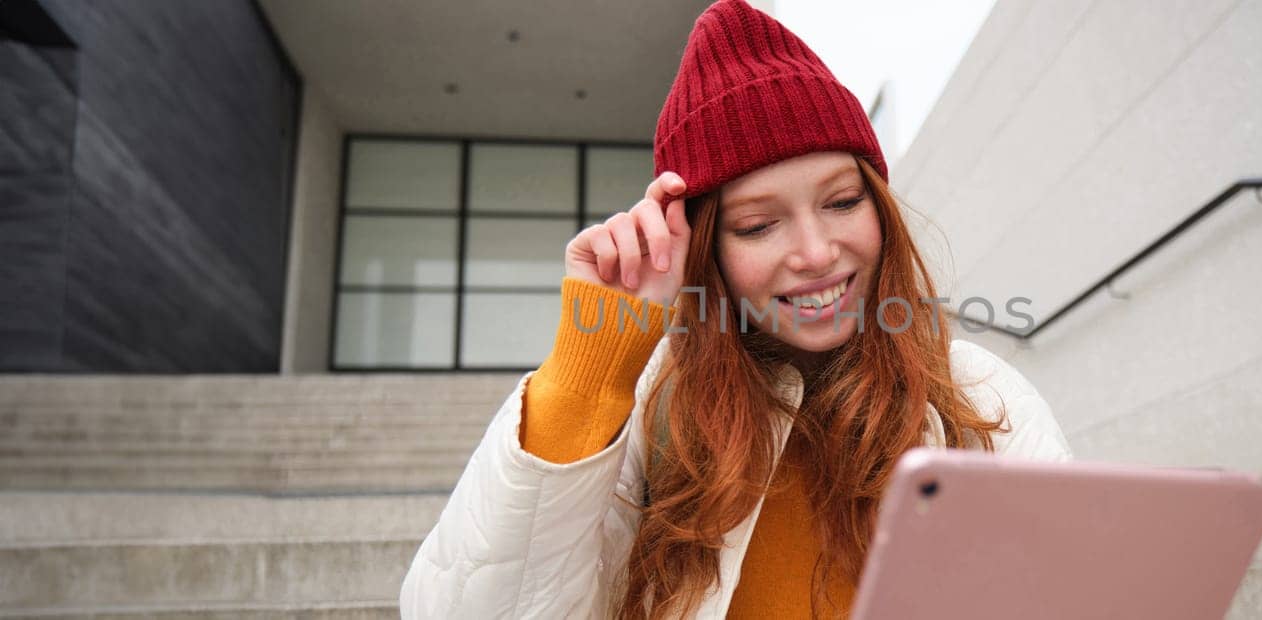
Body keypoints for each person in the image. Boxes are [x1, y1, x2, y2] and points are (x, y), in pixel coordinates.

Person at [399, 1, 1071, 617]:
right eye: (757, 226)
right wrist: (588, 372)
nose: (815, 252)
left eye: (842, 202)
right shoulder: (653, 405)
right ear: (704, 251)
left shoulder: (975, 392)